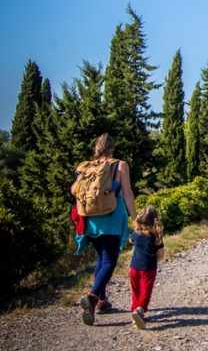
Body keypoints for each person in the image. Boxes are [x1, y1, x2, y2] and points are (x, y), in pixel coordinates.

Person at [70, 133, 137, 326]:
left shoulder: (86, 167)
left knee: (101, 257)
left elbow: (73, 190)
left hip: (90, 219)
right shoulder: (120, 165)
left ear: (96, 148)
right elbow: (128, 193)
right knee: (109, 259)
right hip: (112, 218)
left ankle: (102, 300)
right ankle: (92, 297)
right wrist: (135, 219)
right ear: (112, 148)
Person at [129, 205, 165, 330]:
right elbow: (160, 255)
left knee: (136, 289)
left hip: (134, 267)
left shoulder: (135, 234)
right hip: (148, 268)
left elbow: (131, 241)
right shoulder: (156, 237)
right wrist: (155, 259)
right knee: (146, 290)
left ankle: (135, 308)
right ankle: (140, 310)